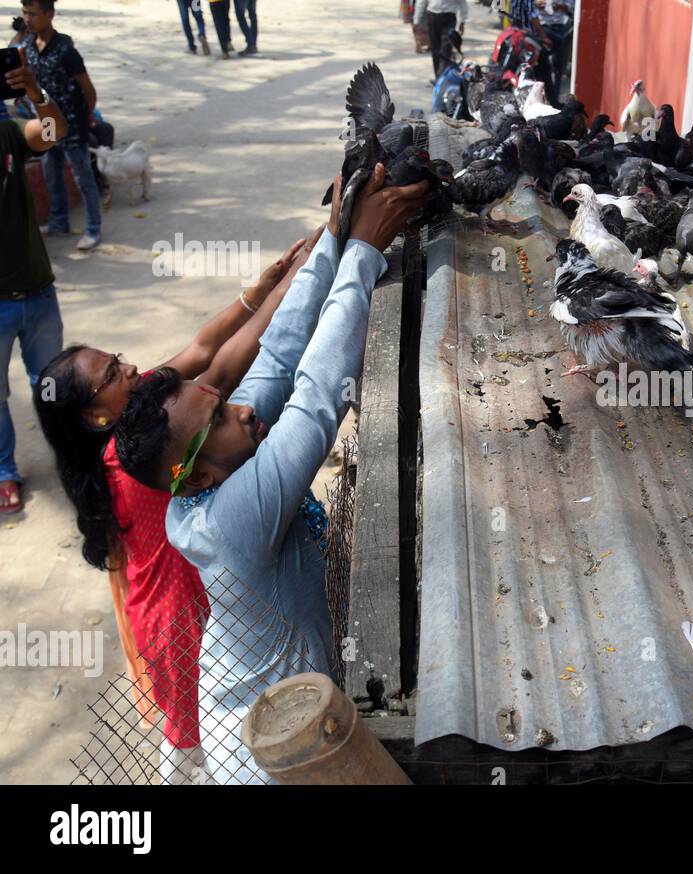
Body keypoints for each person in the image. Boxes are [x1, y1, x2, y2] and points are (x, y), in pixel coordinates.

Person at [114, 167, 427, 783]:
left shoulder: (210, 462)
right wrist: (362, 254)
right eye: (221, 416)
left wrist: (336, 238)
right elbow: (313, 400)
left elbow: (281, 354)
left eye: (219, 397)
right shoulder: (230, 522)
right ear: (194, 476)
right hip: (264, 757)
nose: (244, 407)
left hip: (281, 716)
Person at [36, 233, 312, 782]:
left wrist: (258, 291)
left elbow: (200, 348)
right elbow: (221, 369)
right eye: (112, 374)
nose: (130, 367)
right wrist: (292, 287)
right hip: (177, 621)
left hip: (189, 597)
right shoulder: (131, 458)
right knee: (196, 747)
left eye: (116, 359)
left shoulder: (137, 413)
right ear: (95, 418)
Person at [1, 45, 68, 516]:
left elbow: (51, 132)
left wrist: (35, 92)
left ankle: (69, 456)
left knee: (50, 384)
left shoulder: (6, 133)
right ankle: (5, 471)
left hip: (38, 293)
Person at [18, 0, 101, 250]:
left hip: (73, 124)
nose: (28, 18)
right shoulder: (28, 47)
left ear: (49, 15)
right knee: (51, 174)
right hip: (48, 125)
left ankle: (93, 229)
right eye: (25, 13)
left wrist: (86, 118)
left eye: (33, 14)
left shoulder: (65, 50)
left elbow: (89, 91)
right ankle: (59, 222)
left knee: (82, 177)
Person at [415, 0, 467, 80]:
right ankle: (438, 77)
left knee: (446, 49)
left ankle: (442, 77)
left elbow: (462, 2)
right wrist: (417, 20)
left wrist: (462, 21)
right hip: (432, 17)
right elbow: (421, 2)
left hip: (449, 18)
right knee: (435, 50)